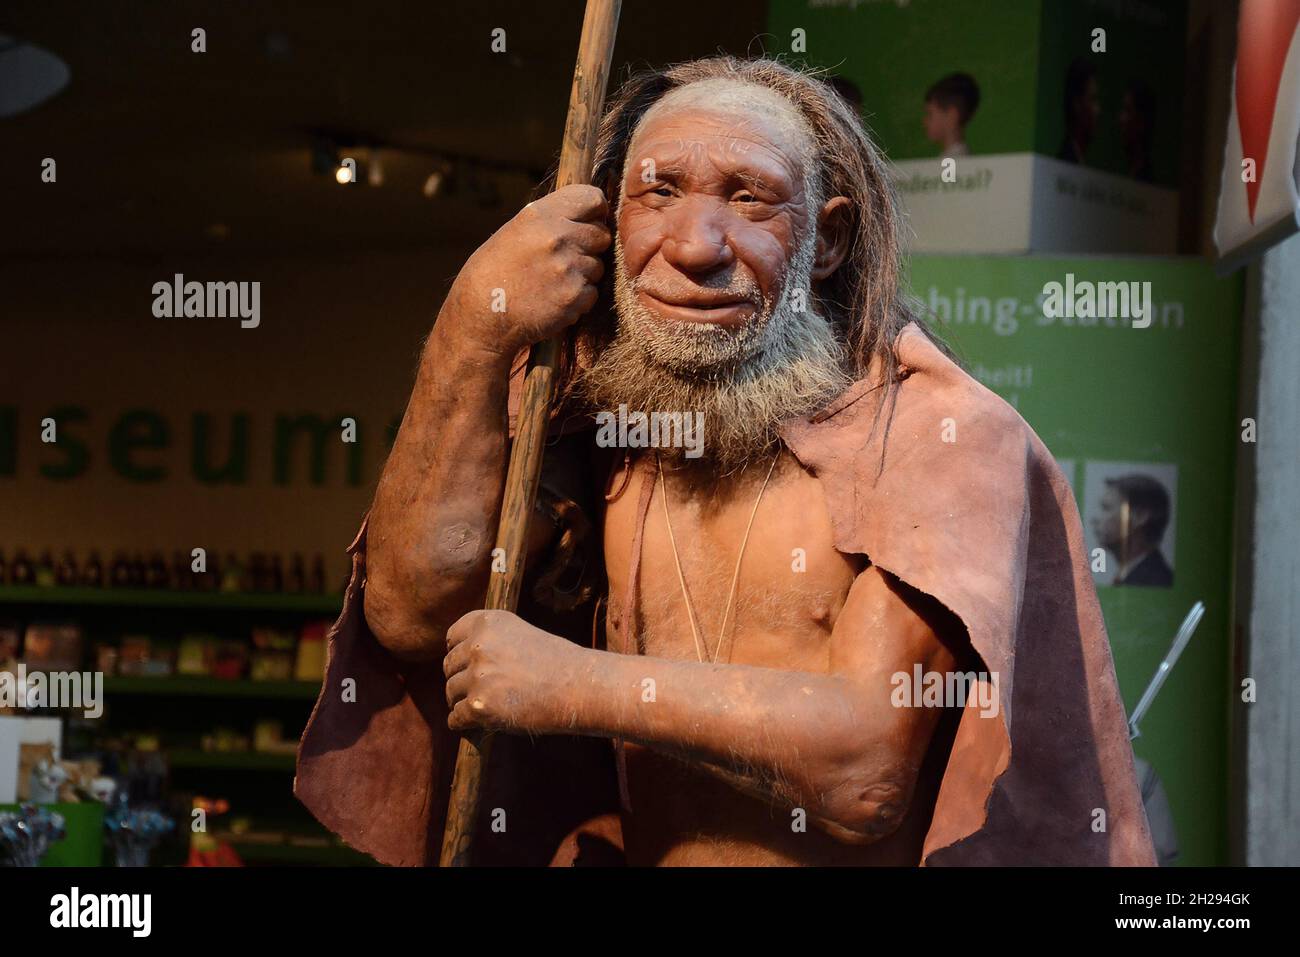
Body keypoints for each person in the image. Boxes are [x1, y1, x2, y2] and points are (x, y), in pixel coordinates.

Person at [295, 56, 1155, 867]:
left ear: (826, 241)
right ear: (607, 222)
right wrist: (474, 323)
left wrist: (565, 682)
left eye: (750, 199)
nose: (696, 244)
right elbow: (411, 618)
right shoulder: (592, 412)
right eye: (657, 192)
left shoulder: (939, 431)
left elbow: (865, 769)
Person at [1093, 474, 1175, 588]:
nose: (1095, 518)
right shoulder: (1132, 576)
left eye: (1106, 508)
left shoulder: (1156, 581)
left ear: (1140, 517)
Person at [922, 72, 980, 159]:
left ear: (951, 115)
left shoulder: (957, 161)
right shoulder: (945, 159)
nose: (925, 121)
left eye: (930, 114)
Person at [1058, 56, 1100, 165]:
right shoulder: (1066, 162)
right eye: (1092, 99)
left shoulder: (1077, 158)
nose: (1098, 110)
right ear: (1076, 104)